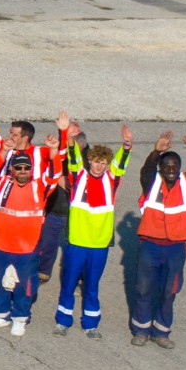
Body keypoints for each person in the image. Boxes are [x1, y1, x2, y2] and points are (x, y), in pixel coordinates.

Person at [52, 125, 131, 337]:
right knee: (69, 283)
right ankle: (63, 321)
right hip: (77, 241)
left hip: (99, 244)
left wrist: (127, 144)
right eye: (96, 161)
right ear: (90, 161)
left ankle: (91, 324)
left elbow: (121, 163)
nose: (99, 166)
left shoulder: (112, 180)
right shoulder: (78, 177)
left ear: (107, 165)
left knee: (92, 286)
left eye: (103, 163)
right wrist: (69, 139)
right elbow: (73, 157)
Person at [133, 130, 186, 349]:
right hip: (150, 245)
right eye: (167, 167)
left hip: (175, 248)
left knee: (169, 291)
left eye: (175, 167)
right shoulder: (151, 181)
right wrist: (156, 151)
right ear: (161, 169)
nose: (171, 170)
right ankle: (141, 330)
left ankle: (161, 332)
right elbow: (145, 170)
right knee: (144, 288)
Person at [0, 153, 52, 337]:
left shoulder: (40, 187)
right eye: (18, 168)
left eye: (26, 168)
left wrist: (61, 135)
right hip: (0, 244)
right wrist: (4, 150)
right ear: (12, 169)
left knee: (25, 285)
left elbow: (55, 171)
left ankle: (20, 318)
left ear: (31, 170)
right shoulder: (3, 183)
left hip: (27, 248)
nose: (22, 171)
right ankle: (1, 315)